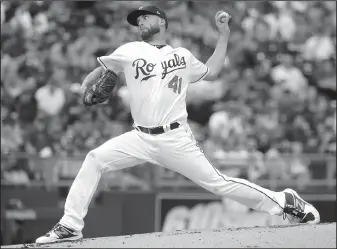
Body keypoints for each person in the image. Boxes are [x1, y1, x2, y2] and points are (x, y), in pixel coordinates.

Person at [36, 6, 320, 244]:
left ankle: (285, 201)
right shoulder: (130, 50)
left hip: (175, 139)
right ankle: (70, 225)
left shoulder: (181, 56)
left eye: (145, 17)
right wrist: (87, 82)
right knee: (95, 158)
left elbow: (213, 71)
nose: (140, 22)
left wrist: (224, 36)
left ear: (161, 22)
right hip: (140, 137)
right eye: (138, 21)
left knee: (219, 184)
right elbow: (106, 67)